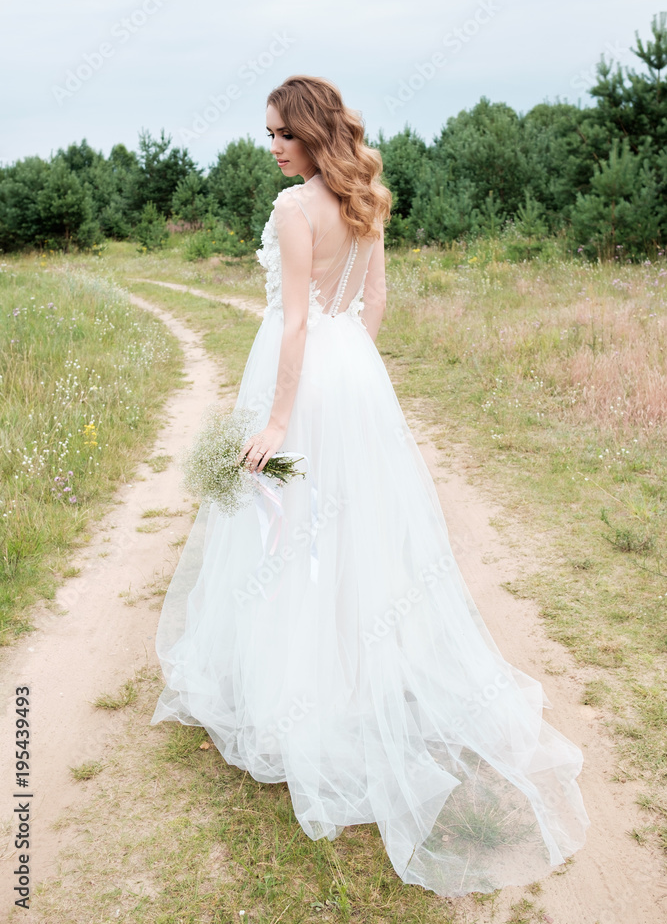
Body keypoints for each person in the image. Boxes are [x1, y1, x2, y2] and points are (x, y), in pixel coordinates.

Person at [151, 74, 589, 897]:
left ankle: (305, 690)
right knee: (348, 528)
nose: (272, 147)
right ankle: (352, 673)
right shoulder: (362, 199)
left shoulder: (292, 211)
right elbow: (373, 299)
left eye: (281, 133)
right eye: (268, 134)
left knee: (293, 526)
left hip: (304, 376)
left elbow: (290, 321)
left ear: (313, 134)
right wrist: (352, 370)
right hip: (354, 370)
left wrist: (280, 418)